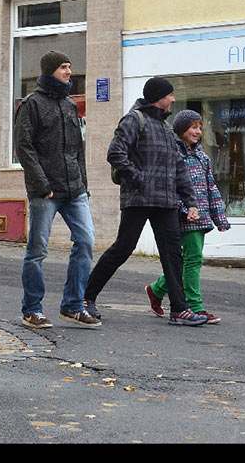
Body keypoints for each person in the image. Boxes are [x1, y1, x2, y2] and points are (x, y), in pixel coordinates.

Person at [84, 77, 209, 327]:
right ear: (158, 97)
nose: (173, 99)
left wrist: (190, 201)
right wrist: (138, 178)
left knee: (173, 255)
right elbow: (115, 153)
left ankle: (180, 309)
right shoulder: (134, 119)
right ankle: (85, 298)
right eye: (170, 95)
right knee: (123, 248)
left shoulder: (165, 128)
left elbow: (179, 168)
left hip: (166, 201)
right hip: (139, 198)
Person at [13, 51, 100, 329]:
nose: (69, 71)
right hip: (46, 191)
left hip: (75, 190)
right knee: (37, 250)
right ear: (50, 70)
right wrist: (41, 184)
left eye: (70, 66)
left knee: (85, 241)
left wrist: (83, 185)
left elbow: (78, 150)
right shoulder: (31, 105)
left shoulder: (70, 105)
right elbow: (24, 147)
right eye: (64, 67)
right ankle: (32, 310)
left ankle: (73, 306)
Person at [145, 110, 230, 324]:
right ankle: (195, 306)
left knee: (184, 261)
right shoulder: (173, 153)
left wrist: (219, 218)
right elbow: (171, 186)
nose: (198, 132)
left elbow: (211, 188)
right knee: (194, 259)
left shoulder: (202, 156)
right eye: (193, 127)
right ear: (181, 130)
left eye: (200, 128)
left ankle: (157, 289)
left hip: (201, 218)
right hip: (183, 216)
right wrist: (185, 209)